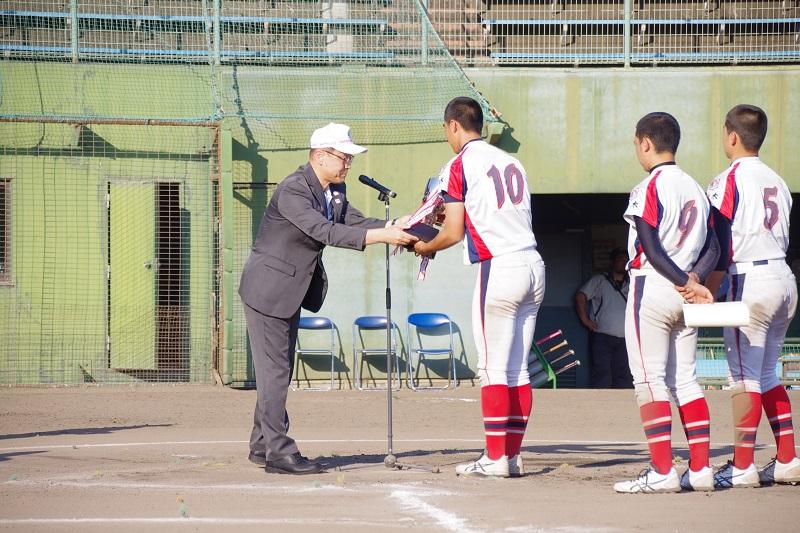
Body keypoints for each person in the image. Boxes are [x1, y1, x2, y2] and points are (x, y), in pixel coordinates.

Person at [239, 123, 417, 475]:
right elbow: (326, 231)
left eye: (350, 157)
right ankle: (279, 453)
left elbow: (353, 221)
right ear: (320, 156)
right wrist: (384, 236)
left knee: (279, 371)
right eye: (344, 156)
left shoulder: (333, 191)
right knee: (276, 372)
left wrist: (398, 222)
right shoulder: (293, 190)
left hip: (288, 292)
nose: (349, 163)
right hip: (268, 290)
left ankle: (262, 444)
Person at [414, 96, 545, 478]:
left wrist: (425, 246)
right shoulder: (511, 161)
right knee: (518, 369)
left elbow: (452, 232)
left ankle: (494, 457)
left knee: (491, 368)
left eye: (446, 130)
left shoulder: (460, 163)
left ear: (454, 125)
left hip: (500, 266)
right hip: (533, 262)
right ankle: (512, 455)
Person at [614, 112, 720, 494]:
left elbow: (651, 247)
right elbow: (714, 247)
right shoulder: (694, 186)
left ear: (645, 143)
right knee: (686, 380)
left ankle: (661, 471)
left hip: (654, 286)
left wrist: (680, 280)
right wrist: (694, 281)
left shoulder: (650, 186)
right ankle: (701, 468)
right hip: (686, 291)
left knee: (648, 379)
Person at [703, 104, 799, 488]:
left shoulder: (729, 178)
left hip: (749, 278)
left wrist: (706, 287)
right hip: (783, 275)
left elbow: (719, 243)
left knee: (744, 377)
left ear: (732, 136)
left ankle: (743, 465)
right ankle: (788, 458)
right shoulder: (778, 179)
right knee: (766, 373)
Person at [575, 247, 633, 389]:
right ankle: (600, 407)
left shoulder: (632, 283)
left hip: (626, 337)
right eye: (620, 260)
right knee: (602, 374)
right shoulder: (600, 280)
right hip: (602, 335)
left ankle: (621, 406)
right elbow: (580, 296)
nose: (623, 263)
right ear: (612, 262)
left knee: (624, 375)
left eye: (626, 261)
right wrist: (585, 320)